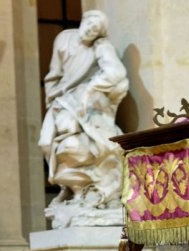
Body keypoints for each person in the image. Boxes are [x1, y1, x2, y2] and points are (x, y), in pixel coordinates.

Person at [38, 9, 129, 223]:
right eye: (89, 24)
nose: (89, 30)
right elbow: (54, 73)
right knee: (44, 142)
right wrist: (51, 98)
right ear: (83, 21)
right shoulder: (63, 39)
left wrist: (90, 90)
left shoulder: (101, 47)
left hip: (82, 103)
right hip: (60, 100)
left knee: (71, 136)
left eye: (95, 29)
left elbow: (117, 74)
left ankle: (78, 188)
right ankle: (65, 186)